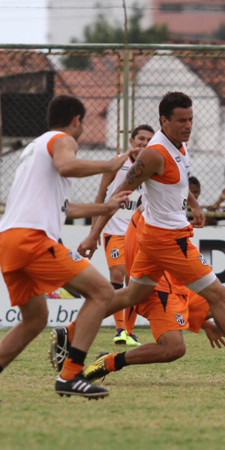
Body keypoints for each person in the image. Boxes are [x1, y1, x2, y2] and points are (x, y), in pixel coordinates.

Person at [67, 91, 225, 381]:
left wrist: (195, 205)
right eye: (181, 120)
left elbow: (177, 185)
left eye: (191, 119)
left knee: (133, 294)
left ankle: (73, 334)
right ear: (164, 120)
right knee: (219, 296)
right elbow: (119, 193)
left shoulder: (180, 146)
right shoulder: (153, 154)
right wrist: (93, 234)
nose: (188, 126)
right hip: (168, 240)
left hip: (158, 237)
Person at [0, 94, 133, 402]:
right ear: (77, 120)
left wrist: (105, 208)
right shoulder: (61, 139)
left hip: (7, 240)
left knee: (35, 319)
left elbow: (63, 209)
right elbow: (67, 166)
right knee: (103, 292)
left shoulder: (34, 149)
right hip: (31, 238)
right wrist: (109, 163)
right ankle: (71, 375)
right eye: (84, 124)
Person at [79, 206, 225, 387]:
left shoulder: (164, 207)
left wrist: (206, 324)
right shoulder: (148, 215)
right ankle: (109, 361)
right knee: (174, 349)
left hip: (179, 289)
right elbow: (138, 274)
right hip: (157, 292)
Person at [90, 124, 154, 347]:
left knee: (135, 280)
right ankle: (119, 329)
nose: (144, 143)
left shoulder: (153, 167)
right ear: (131, 141)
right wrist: (93, 230)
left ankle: (129, 330)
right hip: (114, 230)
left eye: (149, 140)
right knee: (118, 273)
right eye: (141, 139)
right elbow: (100, 196)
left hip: (140, 232)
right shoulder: (116, 164)